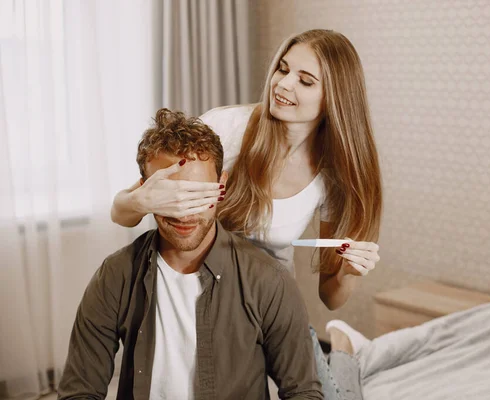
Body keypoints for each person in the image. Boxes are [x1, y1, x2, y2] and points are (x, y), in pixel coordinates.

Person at [111, 29, 382, 399]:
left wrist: (349, 272)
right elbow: (120, 213)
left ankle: (343, 350)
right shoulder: (228, 129)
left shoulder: (331, 176)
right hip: (200, 295)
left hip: (269, 305)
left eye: (304, 80)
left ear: (334, 98)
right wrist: (144, 200)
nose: (283, 85)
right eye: (283, 69)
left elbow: (330, 298)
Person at [58, 109, 323, 400]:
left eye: (198, 194)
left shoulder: (268, 281)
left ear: (220, 187)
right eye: (172, 196)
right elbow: (78, 392)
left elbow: (303, 392)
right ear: (146, 192)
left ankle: (345, 348)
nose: (185, 212)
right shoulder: (116, 275)